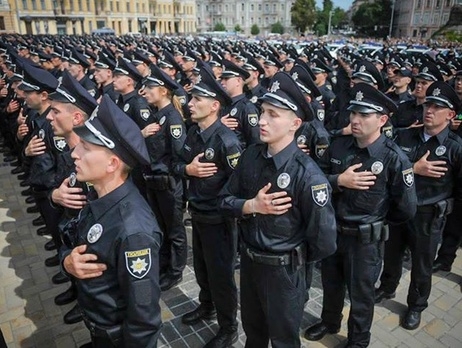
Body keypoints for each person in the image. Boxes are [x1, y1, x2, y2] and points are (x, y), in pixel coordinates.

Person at [219, 71, 337, 347]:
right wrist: (251, 206)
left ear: (295, 123)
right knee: (254, 333)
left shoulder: (308, 175)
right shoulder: (251, 156)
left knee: (284, 339)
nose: (262, 120)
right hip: (250, 264)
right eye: (262, 112)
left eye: (273, 114)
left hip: (284, 272)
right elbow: (224, 201)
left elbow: (324, 240)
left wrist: (292, 259)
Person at [305, 83, 417, 347]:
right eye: (353, 113)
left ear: (382, 120)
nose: (354, 120)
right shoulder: (339, 145)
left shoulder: (393, 158)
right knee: (332, 284)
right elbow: (316, 178)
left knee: (361, 294)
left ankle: (358, 340)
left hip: (366, 240)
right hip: (334, 231)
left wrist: (377, 221)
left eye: (364, 115)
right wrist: (338, 180)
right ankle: (330, 321)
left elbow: (406, 208)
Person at [62, 95, 163, 347]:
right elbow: (72, 236)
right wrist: (68, 260)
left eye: (85, 147)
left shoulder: (134, 232)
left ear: (112, 164)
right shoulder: (96, 193)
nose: (74, 152)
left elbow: (144, 319)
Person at [375, 81, 462, 330]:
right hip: (399, 211)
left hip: (428, 216)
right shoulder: (405, 135)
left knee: (422, 264)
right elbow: (388, 171)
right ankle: (387, 287)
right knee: (391, 255)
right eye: (427, 105)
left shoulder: (455, 148)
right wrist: (414, 169)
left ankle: (416, 305)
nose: (429, 110)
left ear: (451, 114)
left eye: (437, 107)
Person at [173, 62, 242, 347]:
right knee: (201, 268)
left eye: (197, 99)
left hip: (219, 221)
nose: (190, 103)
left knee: (221, 275)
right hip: (198, 215)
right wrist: (187, 171)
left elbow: (238, 186)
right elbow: (177, 164)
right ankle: (206, 304)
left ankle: (228, 326)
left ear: (214, 106)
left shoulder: (227, 141)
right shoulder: (193, 133)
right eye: (191, 98)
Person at [141, 65, 187, 292]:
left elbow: (178, 155)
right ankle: (165, 264)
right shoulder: (156, 115)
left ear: (162, 91)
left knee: (175, 230)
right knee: (162, 227)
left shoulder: (173, 118)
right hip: (154, 182)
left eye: (149, 88)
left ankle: (176, 271)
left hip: (168, 184)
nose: (145, 92)